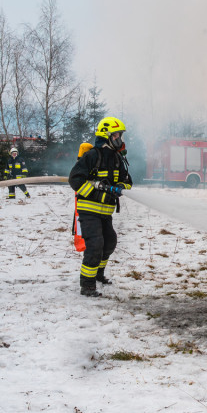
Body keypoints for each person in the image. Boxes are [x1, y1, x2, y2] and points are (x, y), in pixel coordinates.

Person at [68, 117, 133, 297]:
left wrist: (120, 187)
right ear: (107, 135)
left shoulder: (118, 158)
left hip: (105, 212)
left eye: (120, 135)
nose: (120, 139)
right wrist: (98, 191)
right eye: (117, 135)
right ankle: (87, 285)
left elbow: (128, 182)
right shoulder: (92, 156)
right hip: (89, 210)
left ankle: (98, 274)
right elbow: (75, 179)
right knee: (95, 245)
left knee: (109, 241)